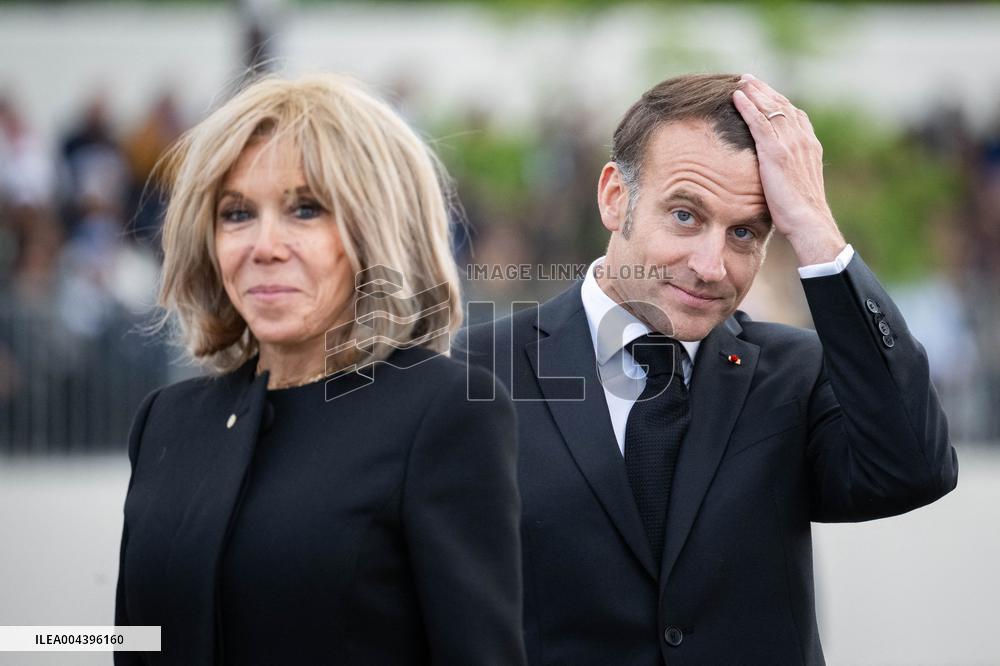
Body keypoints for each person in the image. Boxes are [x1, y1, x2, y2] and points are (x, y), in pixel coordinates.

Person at [455, 73, 958, 665]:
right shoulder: (473, 373)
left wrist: (816, 228)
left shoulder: (795, 375)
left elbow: (914, 468)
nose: (711, 266)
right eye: (686, 216)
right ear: (616, 198)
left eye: (745, 232)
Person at [114, 73, 526, 666]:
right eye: (236, 214)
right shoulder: (166, 423)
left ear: (376, 229)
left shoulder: (443, 411)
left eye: (305, 210)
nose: (264, 245)